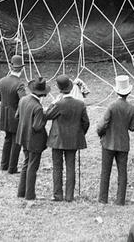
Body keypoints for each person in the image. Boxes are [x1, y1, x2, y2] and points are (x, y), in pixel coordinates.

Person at [44, 74, 90, 202]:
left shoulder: (58, 104)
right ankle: (69, 196)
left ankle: (57, 195)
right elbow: (86, 123)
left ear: (59, 89)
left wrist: (53, 102)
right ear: (71, 87)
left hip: (57, 140)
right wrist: (79, 133)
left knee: (57, 167)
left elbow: (47, 115)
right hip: (73, 140)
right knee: (71, 167)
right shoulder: (80, 104)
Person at [97, 74, 134, 205]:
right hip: (123, 144)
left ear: (116, 91)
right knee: (122, 172)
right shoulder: (131, 108)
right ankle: (120, 200)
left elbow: (102, 124)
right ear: (129, 92)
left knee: (105, 171)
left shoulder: (111, 106)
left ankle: (103, 199)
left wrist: (101, 133)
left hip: (108, 143)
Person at [15, 76, 50, 201]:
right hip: (34, 140)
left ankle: (21, 192)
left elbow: (17, 116)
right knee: (32, 167)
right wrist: (45, 115)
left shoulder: (23, 100)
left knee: (26, 163)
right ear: (43, 94)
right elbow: (37, 126)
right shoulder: (38, 108)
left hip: (23, 137)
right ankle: (30, 195)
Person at [0, 54, 26, 173]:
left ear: (11, 67)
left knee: (7, 139)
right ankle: (12, 168)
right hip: (16, 117)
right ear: (21, 69)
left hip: (4, 116)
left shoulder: (2, 81)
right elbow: (23, 101)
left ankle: (4, 165)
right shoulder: (19, 84)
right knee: (16, 142)